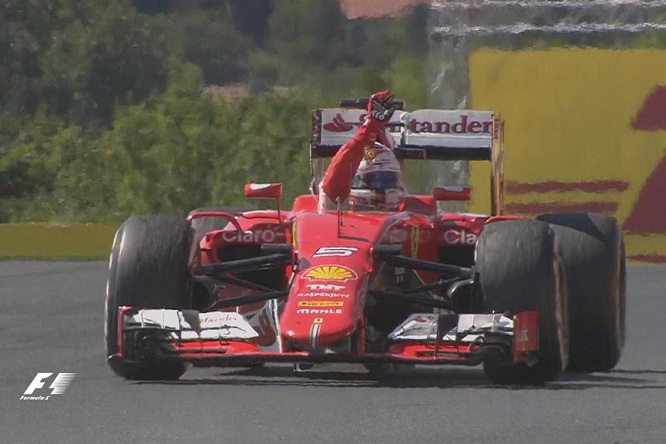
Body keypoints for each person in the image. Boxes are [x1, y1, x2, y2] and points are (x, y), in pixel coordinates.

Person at [318, 90, 406, 212]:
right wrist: (368, 128)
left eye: (387, 179)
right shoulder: (337, 206)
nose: (380, 188)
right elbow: (337, 177)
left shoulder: (406, 214)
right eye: (371, 180)